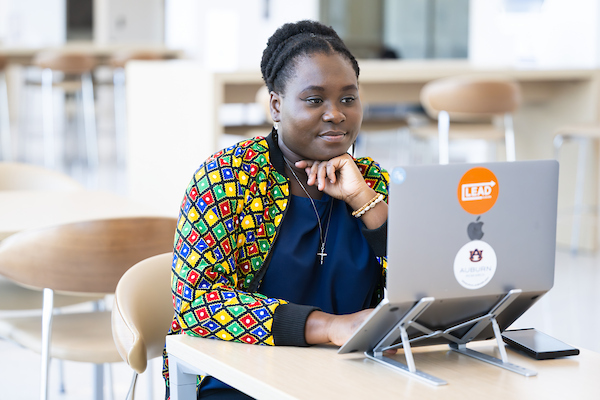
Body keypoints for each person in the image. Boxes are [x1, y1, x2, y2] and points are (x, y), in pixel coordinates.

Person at [163, 20, 389, 399]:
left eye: (348, 99)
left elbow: (426, 284)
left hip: (353, 381)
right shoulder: (227, 178)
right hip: (239, 380)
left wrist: (362, 200)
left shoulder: (370, 180)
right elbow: (194, 302)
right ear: (277, 105)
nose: (336, 114)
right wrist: (330, 326)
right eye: (314, 100)